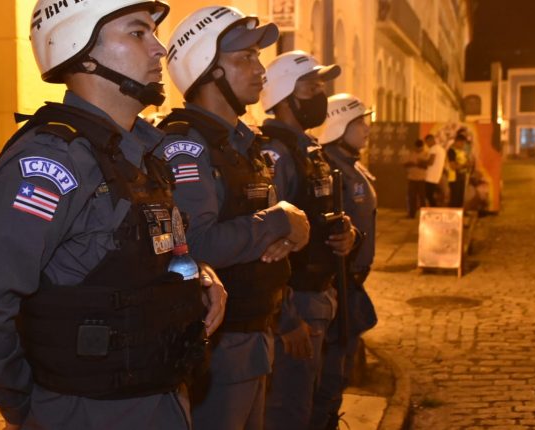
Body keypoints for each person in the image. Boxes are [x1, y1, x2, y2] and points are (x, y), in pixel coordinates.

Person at [0, 2, 228, 429]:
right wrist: (27, 404)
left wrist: (197, 275)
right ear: (81, 50)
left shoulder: (144, 154)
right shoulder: (54, 162)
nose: (159, 49)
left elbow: (151, 252)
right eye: (138, 33)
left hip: (163, 398)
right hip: (88, 414)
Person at [158, 6, 310, 430]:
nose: (260, 70)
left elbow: (255, 225)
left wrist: (286, 233)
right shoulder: (187, 146)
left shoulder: (241, 142)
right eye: (245, 58)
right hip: (219, 348)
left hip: (254, 332)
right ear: (208, 69)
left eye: (257, 57)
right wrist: (281, 221)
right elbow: (194, 244)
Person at [257, 51, 357, 429]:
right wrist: (285, 318)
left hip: (322, 294)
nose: (320, 95)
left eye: (320, 86)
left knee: (319, 401)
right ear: (284, 94)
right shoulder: (275, 154)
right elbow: (267, 245)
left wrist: (350, 235)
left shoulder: (308, 149)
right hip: (295, 302)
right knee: (289, 410)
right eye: (311, 87)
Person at [311, 94, 378, 430]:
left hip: (351, 284)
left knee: (339, 372)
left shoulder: (349, 163)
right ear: (339, 124)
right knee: (329, 375)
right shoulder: (330, 167)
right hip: (337, 285)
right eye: (359, 122)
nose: (366, 129)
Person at [403, 138, 429, 218]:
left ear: (422, 147)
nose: (418, 149)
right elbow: (404, 164)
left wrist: (417, 164)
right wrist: (412, 163)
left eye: (420, 148)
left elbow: (426, 166)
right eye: (417, 148)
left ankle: (424, 215)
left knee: (422, 198)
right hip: (412, 178)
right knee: (411, 197)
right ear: (415, 147)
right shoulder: (410, 154)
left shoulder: (426, 154)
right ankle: (411, 214)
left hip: (422, 179)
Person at [446, 132, 470, 208]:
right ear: (457, 141)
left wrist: (468, 164)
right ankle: (452, 213)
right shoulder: (451, 151)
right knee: (454, 198)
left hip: (462, 176)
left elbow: (468, 163)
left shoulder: (462, 151)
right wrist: (464, 165)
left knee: (460, 199)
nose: (463, 145)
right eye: (462, 143)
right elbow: (453, 166)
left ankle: (460, 212)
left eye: (464, 143)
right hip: (454, 177)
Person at [423, 133, 446, 206]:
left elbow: (431, 162)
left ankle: (434, 208)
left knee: (428, 194)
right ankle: (434, 207)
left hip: (430, 176)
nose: (427, 145)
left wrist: (422, 162)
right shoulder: (441, 149)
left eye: (427, 142)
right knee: (431, 194)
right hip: (437, 175)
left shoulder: (433, 149)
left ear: (431, 140)